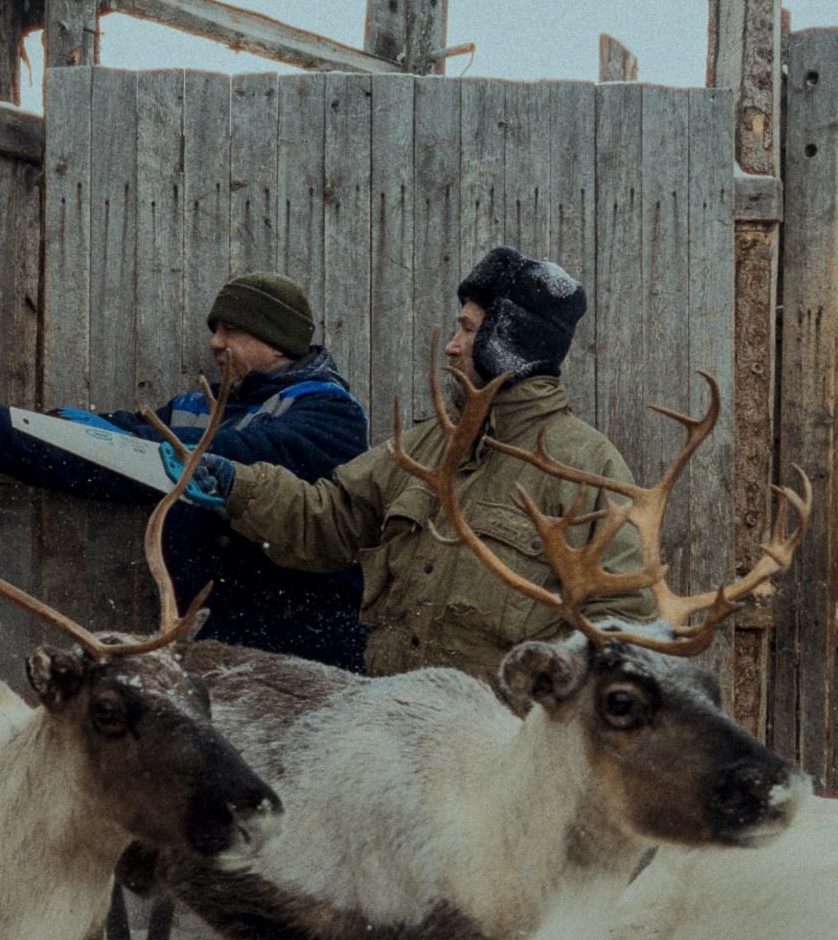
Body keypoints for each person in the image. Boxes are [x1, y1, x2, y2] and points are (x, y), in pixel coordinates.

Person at [180, 246, 657, 683]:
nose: (451, 345)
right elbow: (330, 519)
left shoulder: (587, 467)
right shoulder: (428, 445)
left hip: (498, 745)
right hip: (397, 725)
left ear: (508, 340)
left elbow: (622, 622)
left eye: (467, 329)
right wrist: (240, 486)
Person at [0, 272, 372, 671]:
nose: (214, 344)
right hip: (214, 635)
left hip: (305, 644)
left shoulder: (329, 414)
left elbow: (189, 459)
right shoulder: (197, 408)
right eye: (214, 330)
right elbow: (128, 442)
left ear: (277, 341)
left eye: (231, 330)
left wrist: (119, 446)